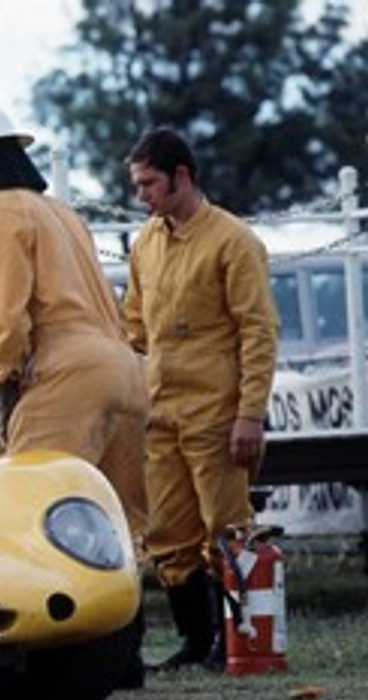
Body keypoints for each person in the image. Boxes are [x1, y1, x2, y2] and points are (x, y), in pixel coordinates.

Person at [0, 101, 149, 684]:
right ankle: (125, 657)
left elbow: (4, 313)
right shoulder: (60, 212)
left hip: (64, 372)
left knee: (42, 516)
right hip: (123, 369)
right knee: (121, 525)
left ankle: (57, 660)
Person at [124, 127, 280, 672]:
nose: (141, 195)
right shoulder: (145, 242)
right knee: (167, 532)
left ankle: (237, 640)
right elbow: (134, 327)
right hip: (160, 412)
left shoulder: (234, 241)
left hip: (217, 412)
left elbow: (258, 331)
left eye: (149, 184)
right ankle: (195, 640)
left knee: (227, 528)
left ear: (181, 176)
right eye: (137, 184)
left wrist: (250, 414)